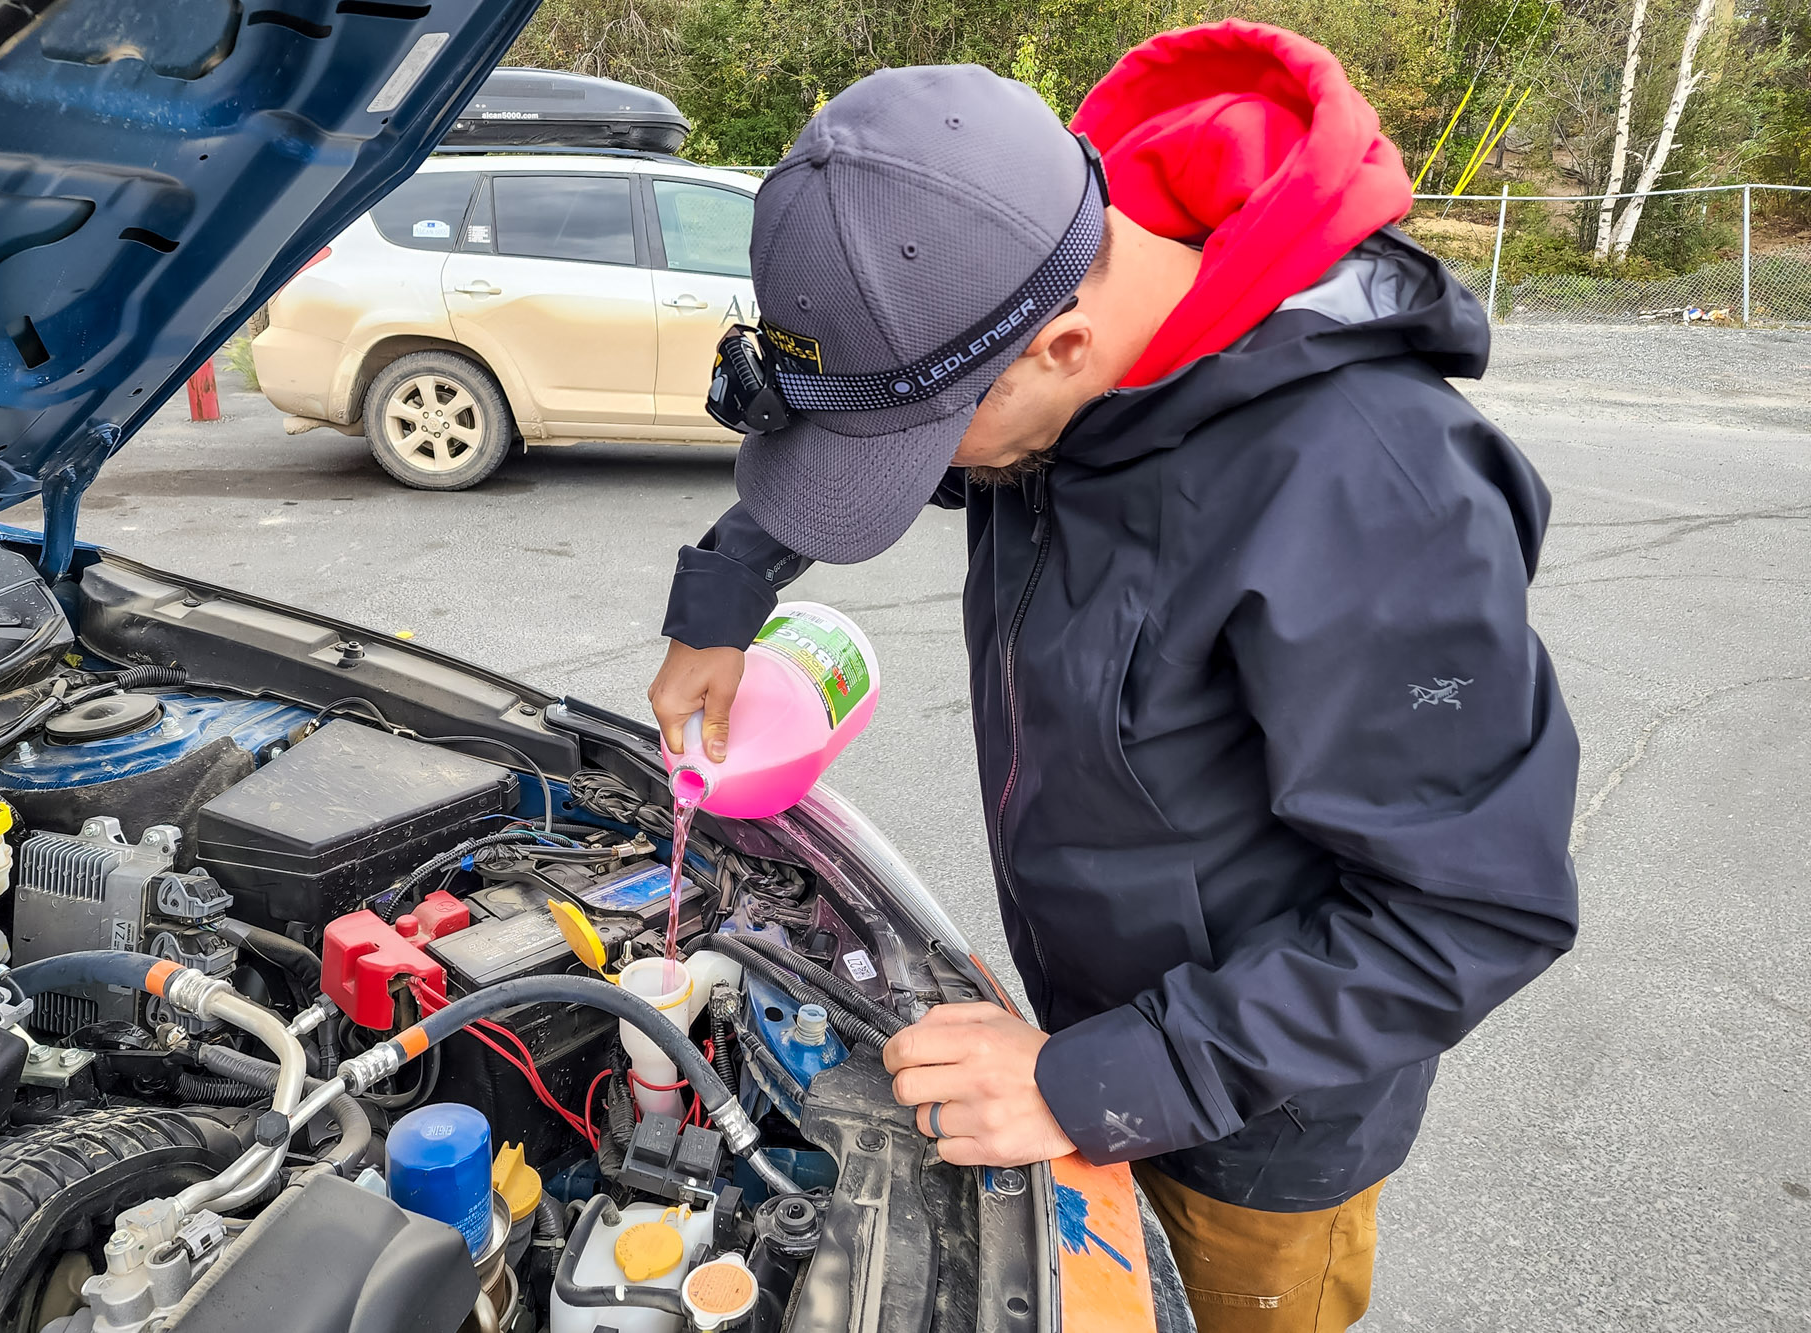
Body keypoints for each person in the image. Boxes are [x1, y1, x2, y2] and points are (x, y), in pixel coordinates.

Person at [648, 21, 1580, 1332]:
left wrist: (1097, 1082)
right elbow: (885, 413)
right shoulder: (1024, 285)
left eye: (929, 450)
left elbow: (1473, 910)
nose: (931, 481)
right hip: (1080, 1021)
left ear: (1065, 349)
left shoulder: (1378, 496)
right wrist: (729, 590)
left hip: (1255, 1131)